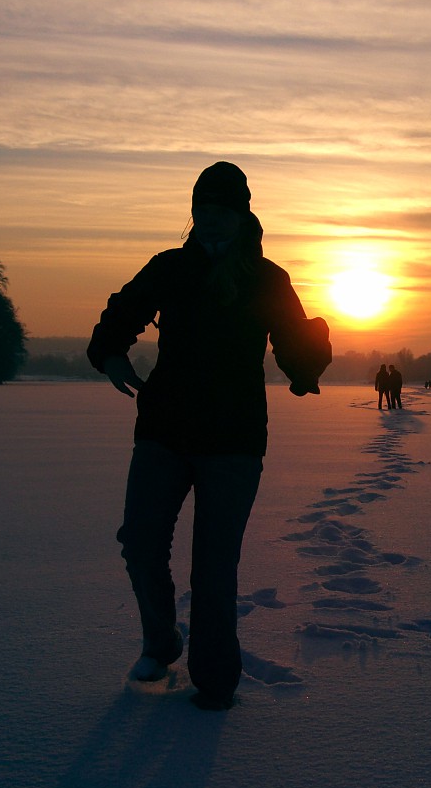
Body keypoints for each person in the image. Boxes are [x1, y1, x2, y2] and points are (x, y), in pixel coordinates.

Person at [87, 162, 331, 710]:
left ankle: (215, 678)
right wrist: (109, 351)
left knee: (214, 561)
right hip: (164, 428)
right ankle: (161, 641)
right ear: (193, 213)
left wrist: (308, 361)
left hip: (234, 439)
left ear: (243, 213)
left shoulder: (267, 279)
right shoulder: (171, 267)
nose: (211, 220)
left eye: (223, 210)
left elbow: (294, 347)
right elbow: (123, 310)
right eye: (203, 209)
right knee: (141, 542)